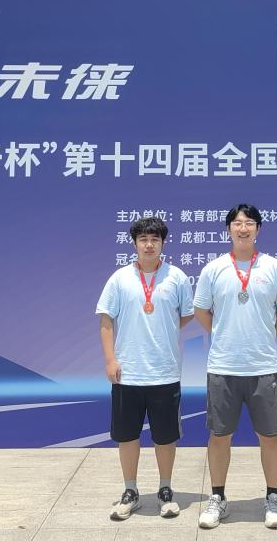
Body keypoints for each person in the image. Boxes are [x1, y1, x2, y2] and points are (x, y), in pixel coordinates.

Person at [192, 203, 277, 529]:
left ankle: (273, 498)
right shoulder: (214, 269)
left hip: (263, 367)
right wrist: (223, 334)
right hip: (223, 366)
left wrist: (266, 334)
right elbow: (201, 311)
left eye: (250, 222)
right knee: (219, 436)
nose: (243, 228)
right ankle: (218, 498)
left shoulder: (274, 268)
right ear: (228, 229)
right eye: (237, 223)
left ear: (258, 229)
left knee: (270, 436)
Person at [96, 216, 194, 520]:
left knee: (165, 436)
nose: (149, 245)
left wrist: (163, 330)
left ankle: (165, 489)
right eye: (143, 240)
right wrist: (110, 359)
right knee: (127, 435)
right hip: (128, 372)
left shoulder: (176, 277)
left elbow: (186, 314)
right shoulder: (119, 278)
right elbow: (106, 320)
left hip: (164, 371)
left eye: (154, 239)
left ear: (163, 243)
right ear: (135, 243)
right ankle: (131, 491)